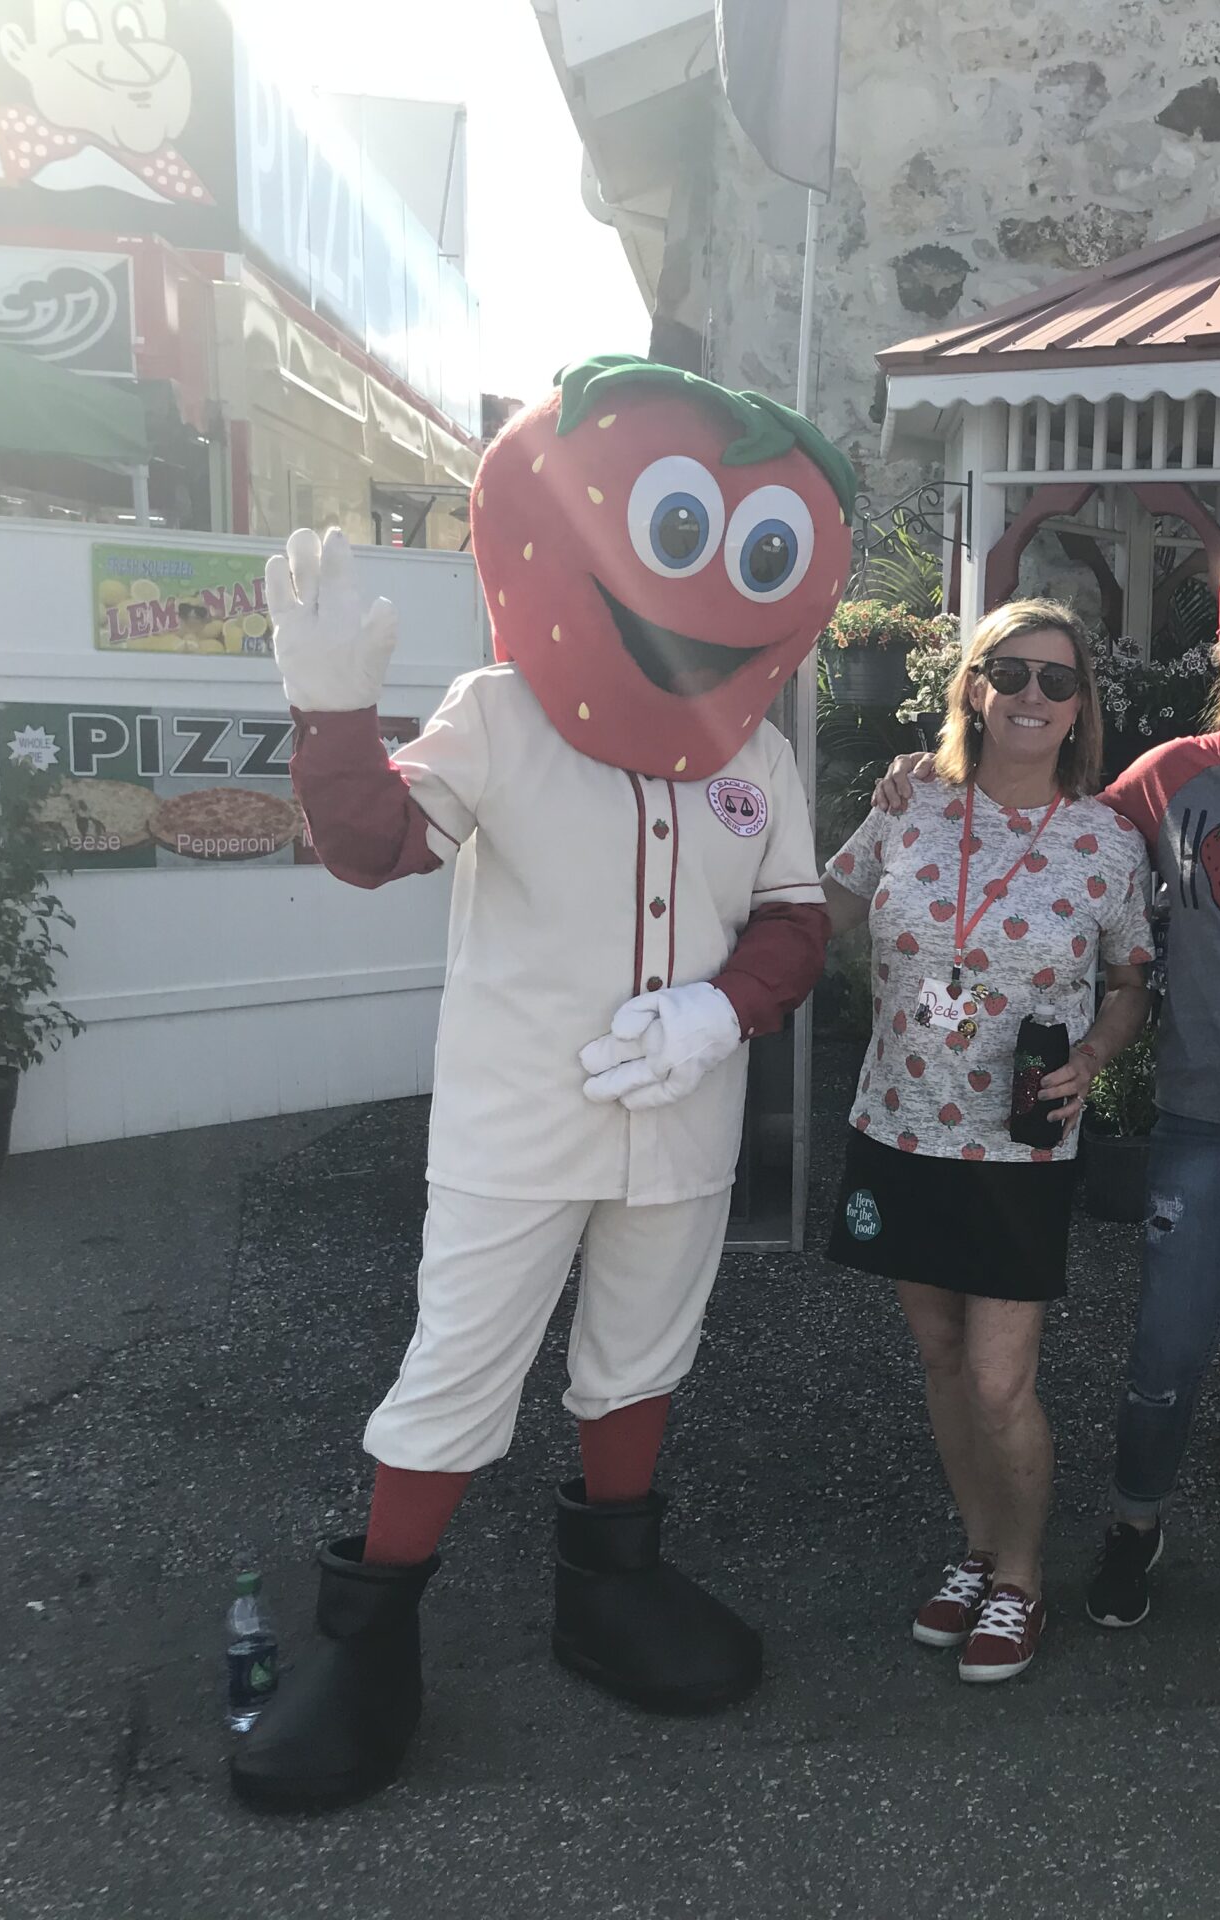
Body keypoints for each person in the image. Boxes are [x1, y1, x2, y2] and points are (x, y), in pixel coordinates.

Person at [230, 360, 852, 1811]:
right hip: (520, 1122)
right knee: (456, 1373)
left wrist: (724, 1007)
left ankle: (609, 1591)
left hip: (679, 1124)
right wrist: (332, 719)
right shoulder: (501, 711)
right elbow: (380, 846)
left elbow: (797, 919)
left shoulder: (755, 752)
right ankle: (369, 1643)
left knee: (640, 1356)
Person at [873, 557, 1220, 1655]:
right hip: (1205, 1111)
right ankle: (1134, 1525)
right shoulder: (1168, 778)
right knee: (1169, 1343)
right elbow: (1047, 820)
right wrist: (923, 773)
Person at [819, 600, 1154, 1684]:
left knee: (1003, 1379)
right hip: (901, 1123)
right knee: (941, 1354)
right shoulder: (910, 805)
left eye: (1058, 682)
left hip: (1018, 1144)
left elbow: (1127, 986)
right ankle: (974, 1549)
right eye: (1010, 673)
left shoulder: (1106, 839)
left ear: (1081, 709)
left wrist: (1096, 1058)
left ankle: (1020, 1580)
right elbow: (817, 908)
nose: (1032, 697)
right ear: (972, 686)